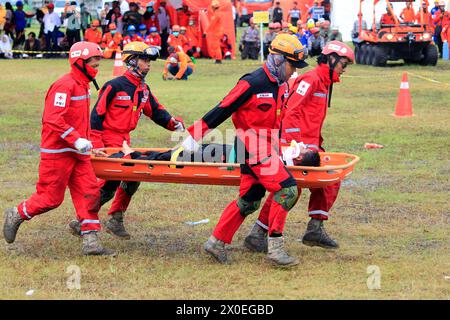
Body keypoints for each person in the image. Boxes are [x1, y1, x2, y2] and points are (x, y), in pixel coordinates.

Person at [180, 34, 308, 266]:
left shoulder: (280, 85)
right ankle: (276, 248)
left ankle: (216, 242)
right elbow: (223, 107)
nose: (294, 72)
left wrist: (283, 147)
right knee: (288, 190)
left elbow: (276, 121)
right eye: (292, 65)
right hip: (252, 147)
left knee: (250, 199)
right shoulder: (252, 82)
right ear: (278, 60)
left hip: (266, 147)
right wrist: (193, 135)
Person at [3, 41, 115, 256]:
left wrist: (89, 144)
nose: (97, 68)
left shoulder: (83, 85)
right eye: (94, 63)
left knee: (89, 193)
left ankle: (91, 241)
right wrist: (76, 140)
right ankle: (16, 213)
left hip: (78, 153)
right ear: (80, 62)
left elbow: (81, 121)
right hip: (57, 153)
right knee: (50, 198)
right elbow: (52, 119)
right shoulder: (65, 85)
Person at [246, 41, 355, 254]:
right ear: (331, 59)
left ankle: (315, 227)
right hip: (298, 147)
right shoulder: (311, 79)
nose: (345, 68)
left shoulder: (323, 83)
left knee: (329, 180)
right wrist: (294, 146)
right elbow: (291, 111)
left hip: (311, 146)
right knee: (290, 189)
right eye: (343, 63)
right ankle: (258, 233)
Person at [72, 42, 185, 239]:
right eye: (144, 60)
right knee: (110, 183)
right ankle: (83, 219)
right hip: (107, 140)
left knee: (133, 175)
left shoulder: (143, 88)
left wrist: (173, 123)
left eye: (149, 61)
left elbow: (156, 111)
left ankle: (114, 218)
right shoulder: (114, 86)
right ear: (132, 61)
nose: (148, 65)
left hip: (123, 141)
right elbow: (95, 118)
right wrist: (97, 147)